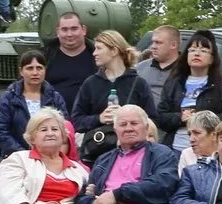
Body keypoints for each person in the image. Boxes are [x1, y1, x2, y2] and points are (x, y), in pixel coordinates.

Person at [71, 30, 157, 159]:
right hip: (98, 155)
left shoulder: (138, 83)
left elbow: (152, 120)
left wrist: (128, 119)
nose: (94, 53)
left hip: (133, 155)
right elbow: (76, 121)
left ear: (114, 51)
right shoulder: (91, 83)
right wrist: (99, 118)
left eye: (99, 48)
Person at [155, 29, 222, 151]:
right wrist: (180, 117)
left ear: (212, 58)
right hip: (176, 147)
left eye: (203, 50)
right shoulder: (174, 81)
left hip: (211, 149)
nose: (196, 54)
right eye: (192, 50)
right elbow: (160, 116)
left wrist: (202, 118)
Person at [0, 50, 68, 159]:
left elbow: (64, 128)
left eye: (39, 68)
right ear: (21, 71)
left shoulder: (55, 98)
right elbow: (2, 132)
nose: (35, 73)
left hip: (49, 158)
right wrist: (25, 155)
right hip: (15, 157)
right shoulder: (8, 98)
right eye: (29, 68)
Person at [44, 12, 97, 108]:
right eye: (64, 29)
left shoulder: (97, 56)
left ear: (83, 30)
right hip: (54, 117)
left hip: (91, 118)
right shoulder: (45, 57)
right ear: (57, 32)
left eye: (74, 29)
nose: (69, 34)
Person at [135, 25, 183, 104]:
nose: (153, 46)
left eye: (158, 43)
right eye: (153, 42)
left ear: (173, 45)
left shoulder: (187, 69)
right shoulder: (140, 68)